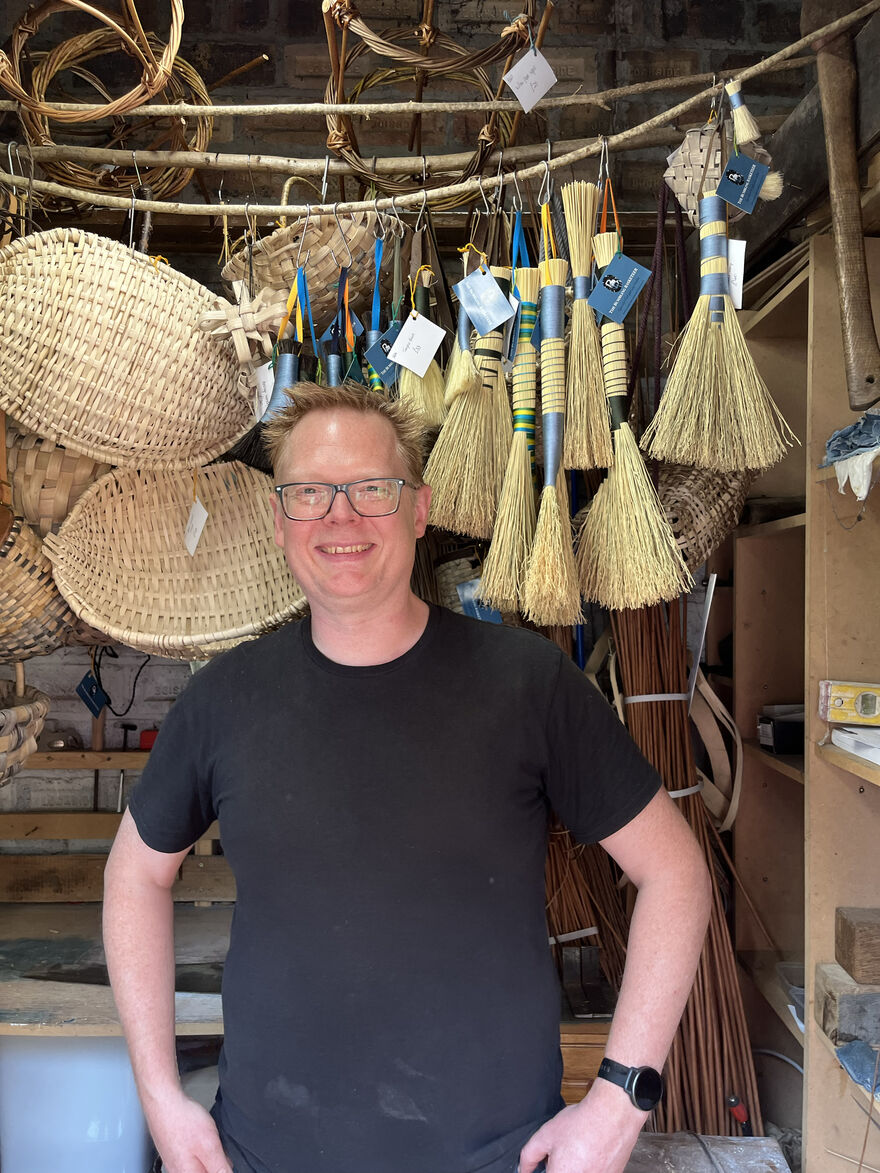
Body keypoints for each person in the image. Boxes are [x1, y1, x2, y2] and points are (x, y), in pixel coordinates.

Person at [104, 382, 711, 1173]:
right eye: (310, 492)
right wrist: (159, 1095)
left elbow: (676, 871)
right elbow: (134, 876)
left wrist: (619, 1100)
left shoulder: (527, 682)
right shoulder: (222, 697)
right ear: (282, 519)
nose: (340, 516)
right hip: (264, 1154)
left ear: (418, 510)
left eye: (371, 489)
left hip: (497, 1157)